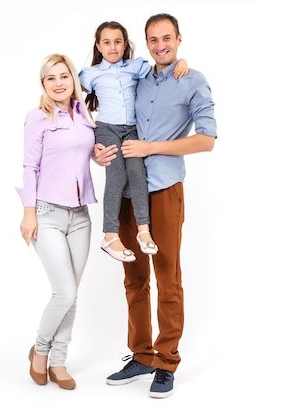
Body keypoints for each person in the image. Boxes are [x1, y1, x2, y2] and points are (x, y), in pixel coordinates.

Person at [95, 13, 217, 399]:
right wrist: (99, 151)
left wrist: (151, 148)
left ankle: (166, 361)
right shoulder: (138, 75)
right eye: (153, 39)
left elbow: (207, 139)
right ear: (145, 44)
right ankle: (142, 354)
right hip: (130, 190)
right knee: (133, 277)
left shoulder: (192, 80)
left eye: (167, 38)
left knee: (167, 275)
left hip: (163, 189)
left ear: (179, 39)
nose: (160, 45)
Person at [41, 21, 188, 263]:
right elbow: (65, 90)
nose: (113, 47)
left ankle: (143, 230)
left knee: (138, 174)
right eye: (107, 42)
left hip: (132, 129)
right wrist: (45, 99)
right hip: (107, 129)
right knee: (117, 176)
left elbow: (160, 72)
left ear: (125, 44)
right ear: (98, 46)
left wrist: (181, 63)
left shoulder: (135, 67)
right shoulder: (91, 74)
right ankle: (110, 234)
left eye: (118, 41)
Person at [16, 53, 98, 390]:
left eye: (64, 76)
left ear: (73, 81)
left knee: (72, 294)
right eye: (51, 78)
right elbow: (29, 166)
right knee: (63, 292)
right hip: (47, 213)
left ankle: (59, 361)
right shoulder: (37, 117)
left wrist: (101, 154)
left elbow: (86, 153)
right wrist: (28, 213)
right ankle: (41, 350)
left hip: (81, 216)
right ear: (43, 84)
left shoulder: (84, 115)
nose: (59, 82)